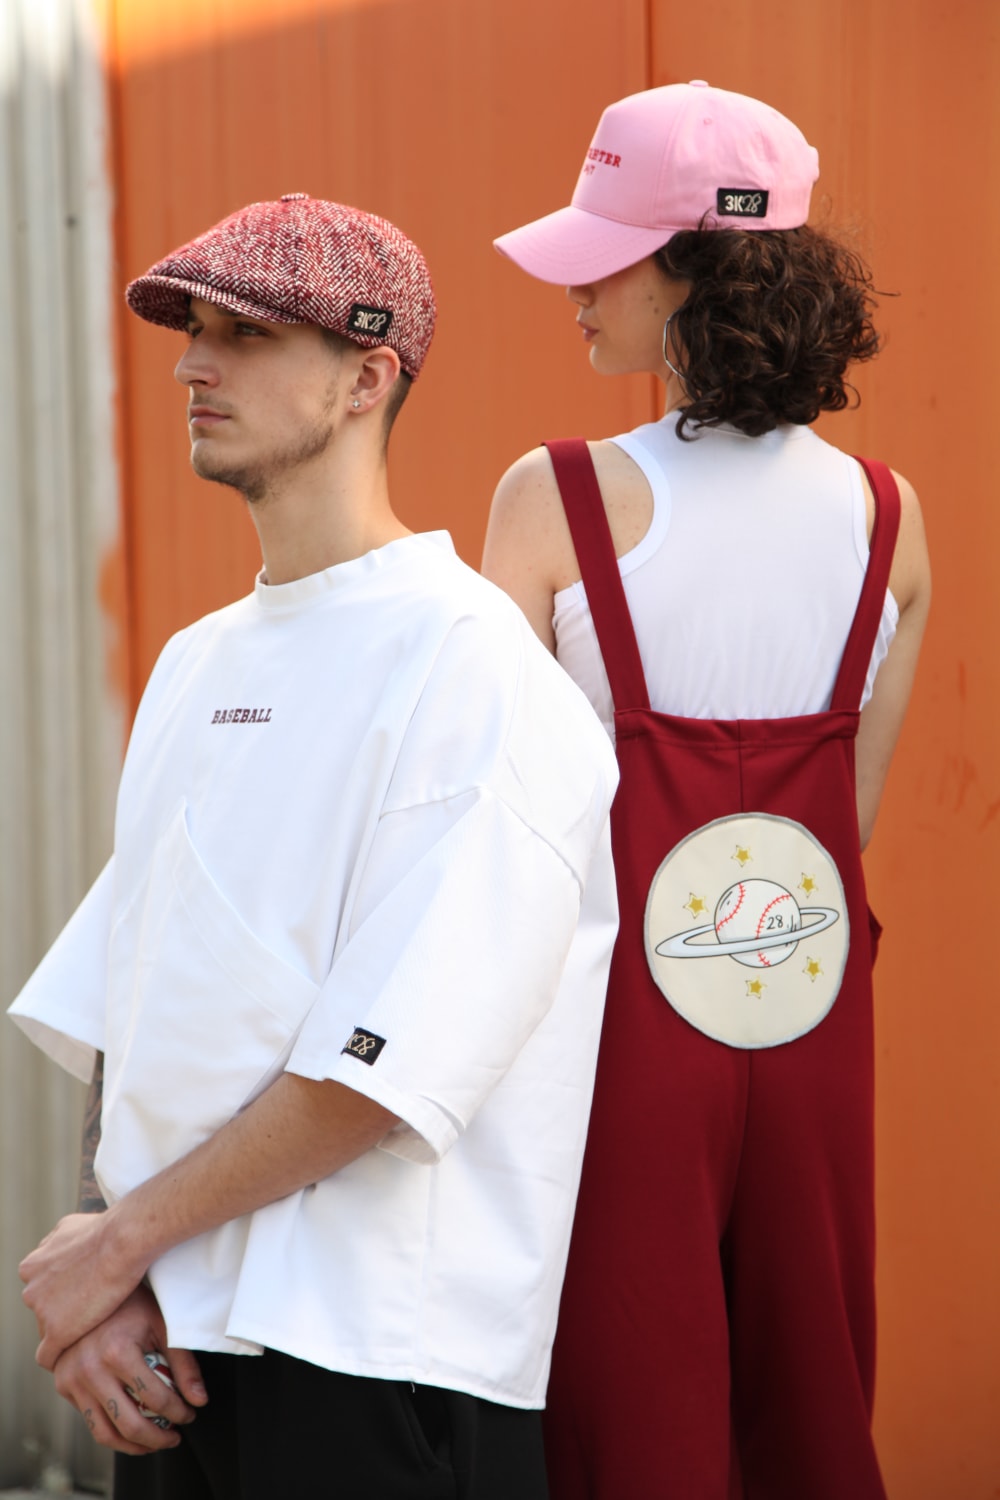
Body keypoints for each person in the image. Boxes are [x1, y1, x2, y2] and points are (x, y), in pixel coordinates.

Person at [10, 193, 620, 1500]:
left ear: (366, 377)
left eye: (245, 333)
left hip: (377, 1357)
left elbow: (383, 1074)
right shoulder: (197, 663)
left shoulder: (474, 666)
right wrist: (114, 1265)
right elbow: (132, 1007)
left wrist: (117, 1246)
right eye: (192, 329)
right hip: (177, 1348)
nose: (192, 362)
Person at [483, 82, 930, 1500]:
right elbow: (847, 828)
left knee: (624, 1405)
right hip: (804, 1010)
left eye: (602, 259)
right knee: (815, 1399)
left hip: (615, 1035)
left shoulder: (552, 499)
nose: (574, 294)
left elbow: (507, 840)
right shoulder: (891, 520)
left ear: (692, 269)